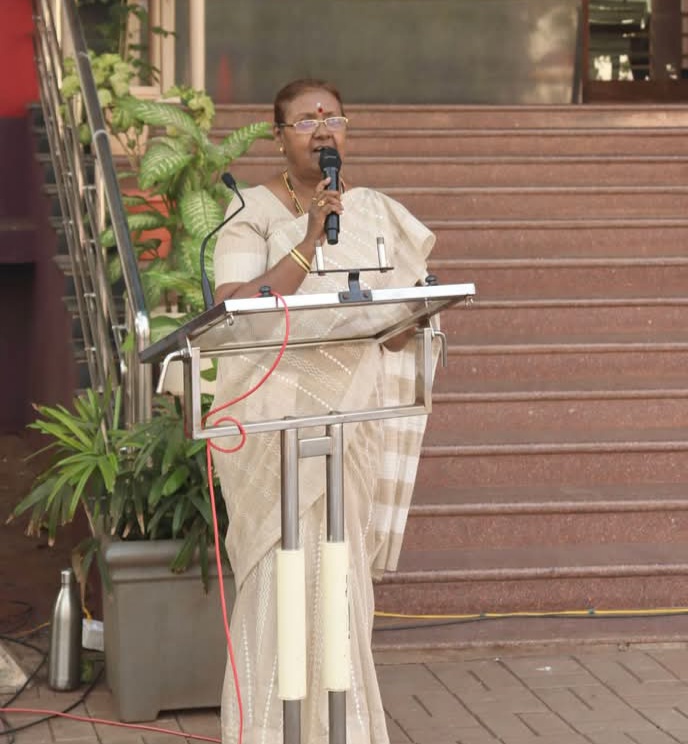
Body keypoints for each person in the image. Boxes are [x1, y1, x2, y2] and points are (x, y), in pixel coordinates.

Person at [210, 78, 437, 744]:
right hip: (271, 424)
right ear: (278, 136)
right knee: (279, 580)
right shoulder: (250, 212)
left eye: (331, 118)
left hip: (349, 424)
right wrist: (308, 240)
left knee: (338, 579)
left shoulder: (371, 213)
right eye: (305, 121)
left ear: (347, 129)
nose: (321, 130)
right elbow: (237, 310)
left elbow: (390, 335)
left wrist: (415, 311)